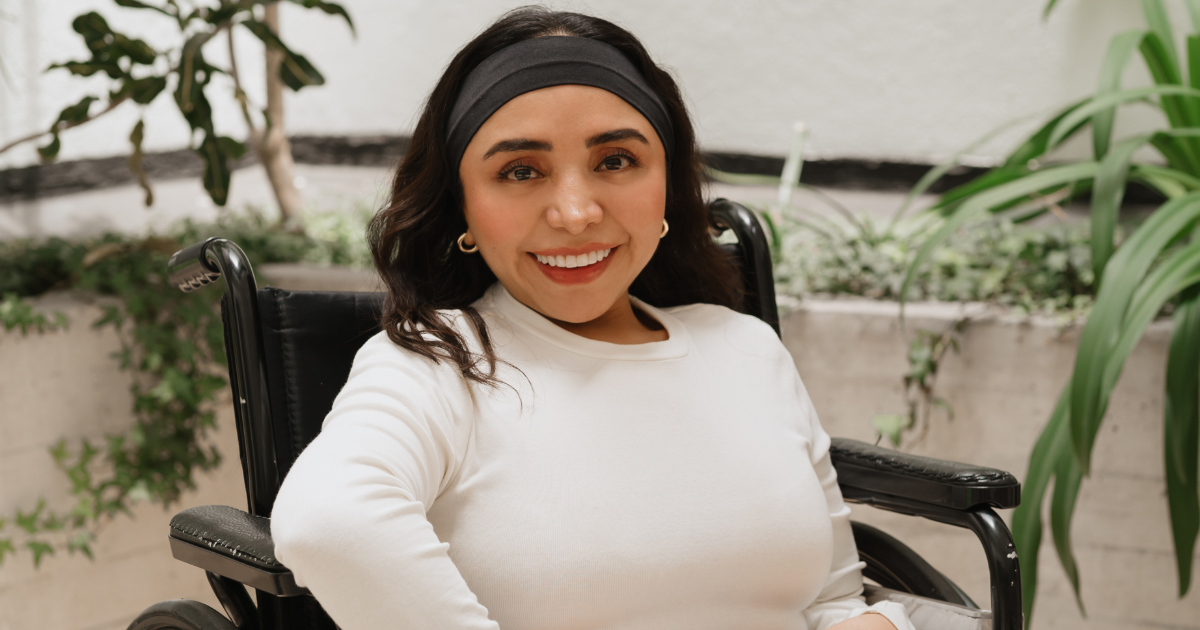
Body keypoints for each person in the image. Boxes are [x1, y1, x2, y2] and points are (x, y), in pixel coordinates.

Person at [270, 7, 915, 630]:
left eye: (615, 161)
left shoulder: (747, 348)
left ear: (667, 183)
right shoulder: (440, 362)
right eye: (521, 171)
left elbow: (834, 598)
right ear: (463, 205)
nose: (575, 213)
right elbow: (329, 522)